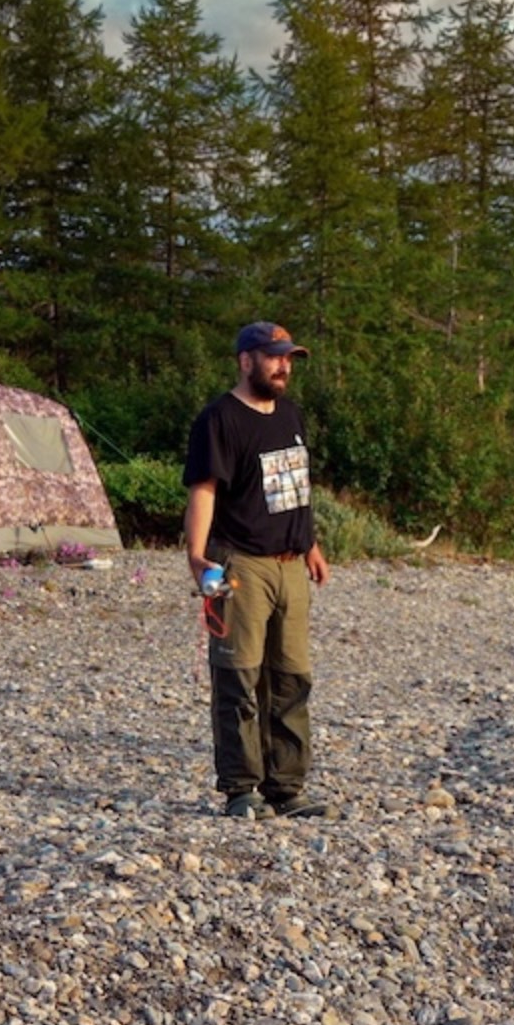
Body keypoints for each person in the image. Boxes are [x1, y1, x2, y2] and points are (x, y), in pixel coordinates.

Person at [184, 321, 334, 819]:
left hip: (291, 566)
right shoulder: (219, 419)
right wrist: (196, 556)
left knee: (292, 680)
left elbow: (295, 487)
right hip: (241, 564)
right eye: (273, 357)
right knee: (239, 677)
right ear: (245, 360)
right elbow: (204, 491)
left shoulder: (290, 414)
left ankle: (286, 789)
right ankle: (242, 789)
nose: (283, 365)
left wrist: (309, 543)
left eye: (288, 357)